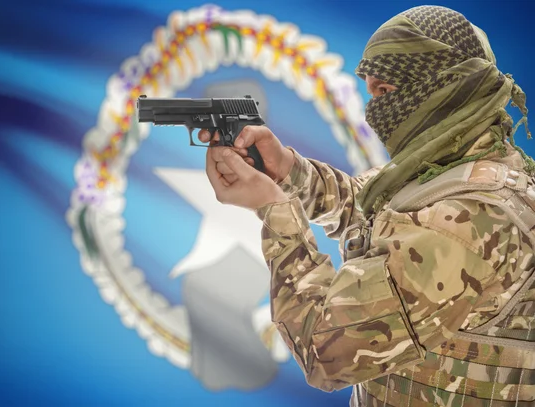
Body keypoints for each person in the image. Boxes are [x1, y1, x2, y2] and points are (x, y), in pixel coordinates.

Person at [199, 5, 535, 407]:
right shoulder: (455, 167)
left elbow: (326, 354)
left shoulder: (469, 220)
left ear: (442, 85)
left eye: (385, 92)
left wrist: (275, 210)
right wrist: (287, 169)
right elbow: (368, 208)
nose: (373, 109)